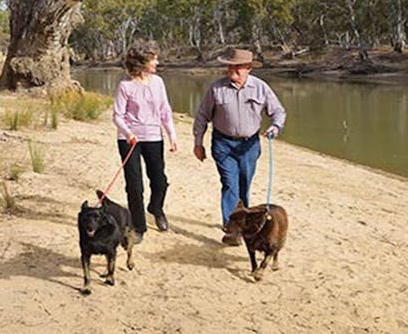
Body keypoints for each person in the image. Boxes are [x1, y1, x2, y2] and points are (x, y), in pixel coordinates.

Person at [192, 48, 286, 246]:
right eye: (229, 66)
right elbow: (202, 116)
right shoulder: (216, 88)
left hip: (249, 145)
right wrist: (198, 142)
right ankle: (231, 229)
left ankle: (244, 223)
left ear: (249, 68)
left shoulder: (261, 88)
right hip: (223, 143)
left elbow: (278, 111)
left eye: (237, 67)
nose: (231, 70)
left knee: (244, 184)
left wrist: (275, 127)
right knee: (229, 184)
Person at [113, 41, 178, 244]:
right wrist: (128, 133)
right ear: (142, 63)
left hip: (153, 137)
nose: (157, 62)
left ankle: (156, 209)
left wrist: (172, 135)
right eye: (153, 59)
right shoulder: (125, 86)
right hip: (129, 140)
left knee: (160, 181)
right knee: (134, 185)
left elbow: (165, 111)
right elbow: (117, 116)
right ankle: (138, 226)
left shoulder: (158, 82)